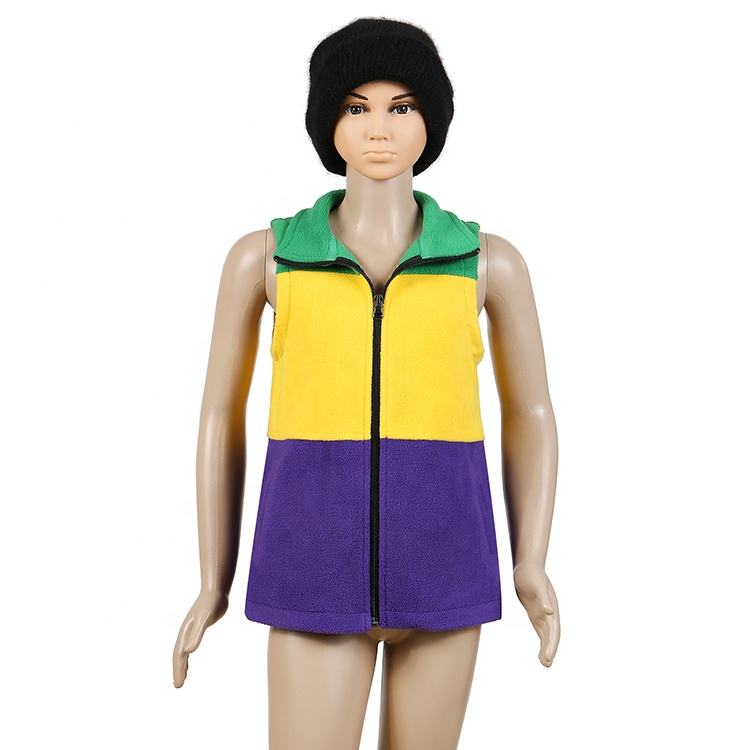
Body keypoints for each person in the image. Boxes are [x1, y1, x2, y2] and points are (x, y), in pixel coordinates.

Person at [173, 17, 560, 749]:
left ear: (430, 121)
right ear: (329, 123)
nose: (379, 127)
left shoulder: (485, 262)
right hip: (309, 566)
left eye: (401, 105)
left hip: (446, 566)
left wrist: (530, 561)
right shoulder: (270, 259)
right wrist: (212, 581)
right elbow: (219, 420)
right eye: (356, 107)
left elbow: (531, 414)